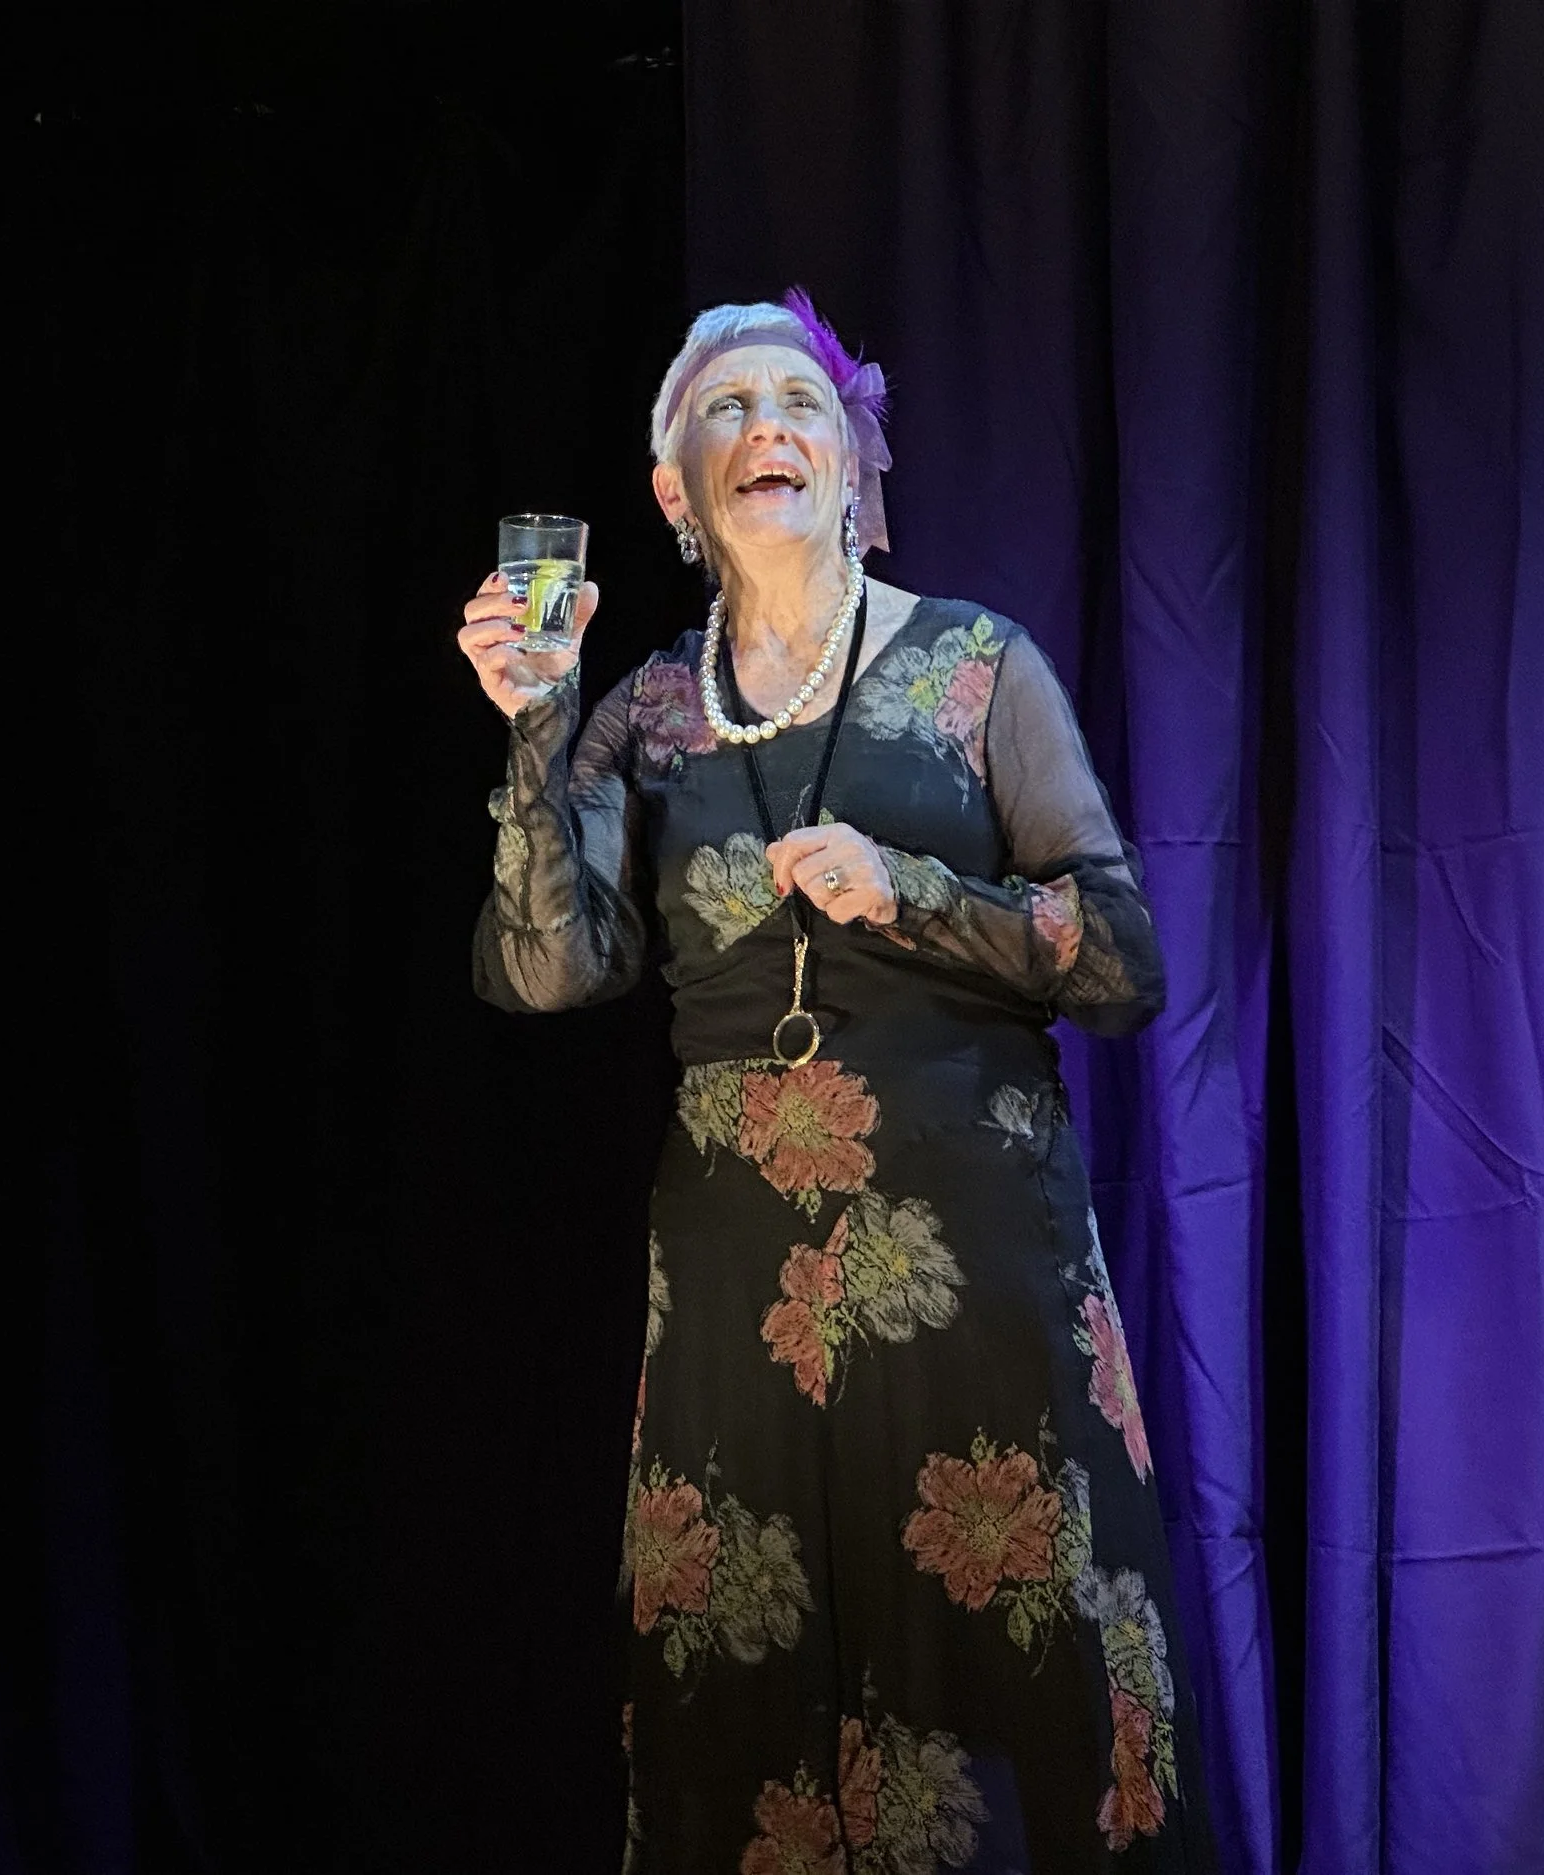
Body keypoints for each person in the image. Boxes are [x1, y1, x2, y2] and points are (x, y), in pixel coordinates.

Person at [461, 291, 1215, 1872]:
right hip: (737, 1278)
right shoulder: (647, 711)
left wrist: (915, 891)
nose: (767, 429)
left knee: (1022, 1667)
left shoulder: (975, 665)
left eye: (799, 401)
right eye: (724, 410)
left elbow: (1125, 960)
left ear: (853, 463)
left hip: (975, 1252)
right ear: (675, 488)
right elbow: (547, 967)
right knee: (751, 1698)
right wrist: (535, 726)